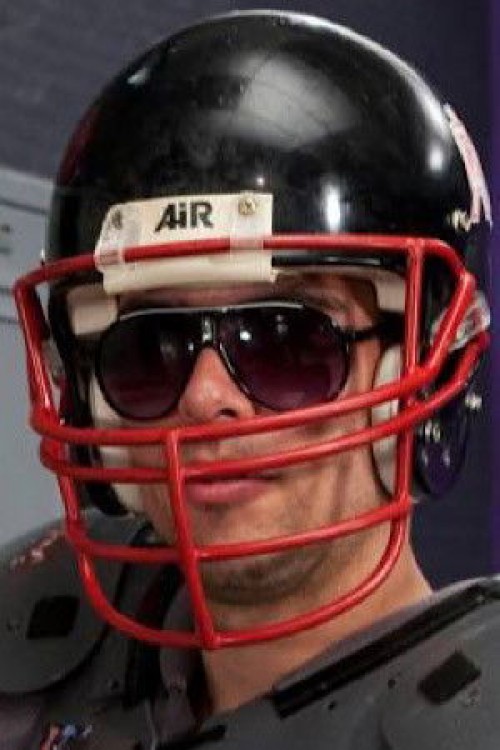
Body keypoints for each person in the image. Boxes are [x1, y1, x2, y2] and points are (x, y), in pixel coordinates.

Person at [1, 9, 498, 749]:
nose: (205, 398)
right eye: (149, 350)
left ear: (423, 370)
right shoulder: (33, 644)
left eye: (287, 344)